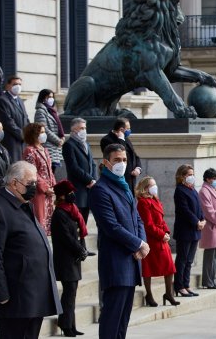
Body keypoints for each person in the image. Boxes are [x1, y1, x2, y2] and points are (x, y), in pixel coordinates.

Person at [0, 161, 62, 339]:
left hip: (33, 293)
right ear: (15, 183)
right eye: (30, 182)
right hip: (16, 297)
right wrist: (1, 293)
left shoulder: (23, 203)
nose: (34, 187)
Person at [89, 143, 149, 339]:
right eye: (117, 160)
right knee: (112, 318)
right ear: (106, 162)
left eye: (124, 160)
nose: (121, 164)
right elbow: (111, 226)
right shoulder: (101, 189)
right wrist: (138, 244)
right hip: (116, 262)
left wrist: (141, 242)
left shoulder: (124, 186)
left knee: (123, 319)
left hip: (131, 261)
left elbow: (136, 218)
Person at [50, 180, 88, 337]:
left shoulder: (72, 210)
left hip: (74, 257)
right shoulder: (59, 213)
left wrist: (82, 248)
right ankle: (66, 325)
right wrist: (80, 250)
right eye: (70, 193)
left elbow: (79, 232)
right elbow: (66, 237)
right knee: (69, 292)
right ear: (62, 196)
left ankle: (70, 324)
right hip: (65, 258)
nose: (73, 195)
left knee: (71, 292)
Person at [135, 176, 179, 307]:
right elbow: (148, 224)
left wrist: (166, 232)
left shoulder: (155, 200)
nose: (155, 187)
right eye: (151, 185)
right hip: (151, 239)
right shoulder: (143, 202)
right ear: (145, 188)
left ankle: (168, 293)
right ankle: (149, 294)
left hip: (161, 237)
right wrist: (161, 234)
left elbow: (161, 219)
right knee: (148, 268)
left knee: (170, 267)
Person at [173, 164, 205, 297]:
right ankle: (179, 286)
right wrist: (196, 222)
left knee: (189, 260)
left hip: (195, 230)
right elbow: (184, 210)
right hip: (185, 230)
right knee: (182, 259)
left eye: (192, 174)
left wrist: (202, 220)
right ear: (182, 176)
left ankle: (186, 284)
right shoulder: (180, 190)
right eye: (188, 175)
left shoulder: (193, 190)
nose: (191, 177)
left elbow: (199, 207)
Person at [22, 123, 56, 234]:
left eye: (44, 132)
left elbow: (50, 171)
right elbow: (32, 172)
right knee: (39, 221)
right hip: (38, 192)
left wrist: (54, 186)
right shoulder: (30, 150)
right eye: (41, 132)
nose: (44, 134)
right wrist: (45, 187)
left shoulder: (44, 150)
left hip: (49, 192)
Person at [62, 118, 96, 224]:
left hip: (89, 189)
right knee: (77, 222)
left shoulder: (86, 144)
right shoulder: (69, 145)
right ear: (74, 129)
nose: (84, 130)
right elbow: (73, 167)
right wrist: (89, 180)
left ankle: (82, 241)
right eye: (82, 128)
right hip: (78, 189)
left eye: (85, 128)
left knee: (84, 223)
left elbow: (93, 164)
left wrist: (94, 180)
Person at [100, 117, 142, 193]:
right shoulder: (106, 140)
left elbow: (135, 155)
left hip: (131, 179)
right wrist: (121, 140)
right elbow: (121, 152)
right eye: (128, 128)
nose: (129, 130)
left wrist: (138, 168)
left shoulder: (126, 139)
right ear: (121, 129)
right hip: (118, 179)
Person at [0, 75, 29, 163]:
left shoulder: (20, 100)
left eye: (19, 84)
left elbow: (26, 118)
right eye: (15, 84)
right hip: (11, 140)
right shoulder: (3, 100)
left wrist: (29, 132)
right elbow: (8, 122)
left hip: (23, 142)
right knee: (13, 167)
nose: (18, 86)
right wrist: (22, 135)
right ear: (8, 86)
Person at [34, 89, 64, 175]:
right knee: (47, 174)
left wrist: (62, 137)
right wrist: (58, 140)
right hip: (48, 145)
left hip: (54, 148)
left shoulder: (52, 111)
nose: (51, 99)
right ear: (43, 98)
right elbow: (44, 129)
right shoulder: (41, 111)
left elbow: (57, 127)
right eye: (49, 97)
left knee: (52, 174)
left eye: (52, 97)